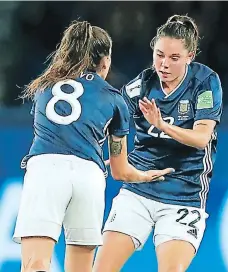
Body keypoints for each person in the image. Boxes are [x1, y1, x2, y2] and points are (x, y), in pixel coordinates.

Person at [13, 20, 173, 272]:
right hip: (89, 176)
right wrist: (143, 175)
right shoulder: (114, 98)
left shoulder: (44, 87)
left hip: (46, 171)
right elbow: (121, 171)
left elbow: (63, 132)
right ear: (105, 61)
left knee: (36, 264)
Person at [93, 14, 223, 272]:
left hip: (183, 193)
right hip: (138, 188)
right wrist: (108, 152)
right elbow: (110, 122)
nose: (164, 64)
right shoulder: (141, 85)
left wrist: (162, 125)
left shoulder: (205, 83)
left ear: (190, 56)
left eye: (174, 58)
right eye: (159, 55)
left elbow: (201, 139)